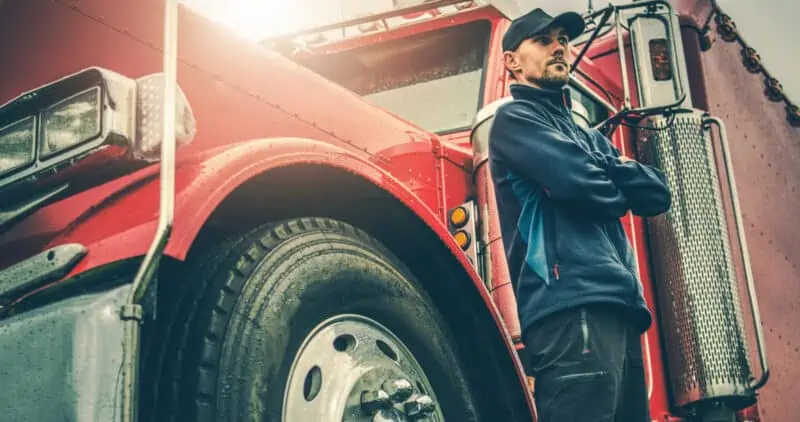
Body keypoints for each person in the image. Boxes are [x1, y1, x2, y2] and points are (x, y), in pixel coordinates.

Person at [488, 7, 672, 422]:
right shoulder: (514, 121)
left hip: (619, 306)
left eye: (563, 40)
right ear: (512, 61)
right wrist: (612, 169)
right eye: (543, 40)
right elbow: (590, 192)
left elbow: (656, 194)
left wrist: (602, 166)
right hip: (568, 306)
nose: (558, 47)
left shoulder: (584, 134)